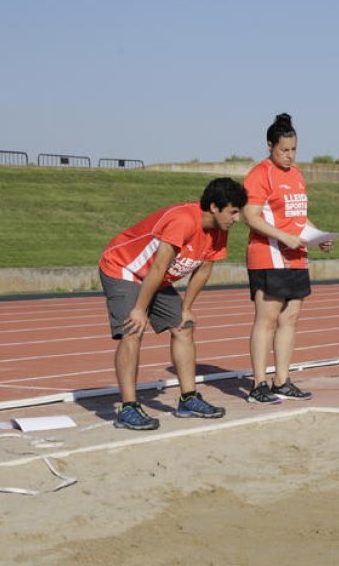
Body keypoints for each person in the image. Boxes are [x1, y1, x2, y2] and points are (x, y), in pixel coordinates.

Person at [99, 177, 247, 430]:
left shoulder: (219, 231)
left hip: (156, 277)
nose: (237, 219)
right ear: (214, 207)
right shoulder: (183, 220)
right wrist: (139, 309)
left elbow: (203, 270)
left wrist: (187, 307)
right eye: (233, 212)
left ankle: (188, 399)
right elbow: (158, 266)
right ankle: (128, 407)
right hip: (124, 268)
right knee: (133, 330)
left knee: (184, 326)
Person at [242, 113, 335, 404]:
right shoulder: (260, 174)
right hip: (269, 256)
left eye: (294, 149)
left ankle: (282, 379)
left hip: (297, 256)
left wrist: (318, 235)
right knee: (266, 319)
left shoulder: (296, 175)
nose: (290, 156)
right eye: (284, 150)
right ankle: (259, 384)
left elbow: (298, 216)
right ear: (270, 146)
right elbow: (250, 216)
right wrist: (282, 237)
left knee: (290, 319)